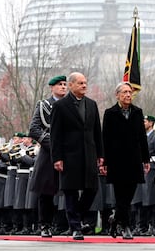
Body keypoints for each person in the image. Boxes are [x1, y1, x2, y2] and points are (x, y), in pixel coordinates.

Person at [50, 72, 104, 240]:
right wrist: (57, 157)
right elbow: (55, 135)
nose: (84, 86)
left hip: (89, 154)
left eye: (85, 83)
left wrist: (101, 154)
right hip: (69, 155)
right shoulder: (60, 106)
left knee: (92, 189)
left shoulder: (91, 104)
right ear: (71, 85)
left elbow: (97, 131)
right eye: (80, 83)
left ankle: (76, 216)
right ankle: (75, 227)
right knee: (71, 191)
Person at [102, 82, 150, 240]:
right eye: (124, 92)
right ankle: (126, 226)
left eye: (130, 92)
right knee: (120, 194)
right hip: (116, 160)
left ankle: (115, 219)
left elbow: (142, 137)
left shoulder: (137, 112)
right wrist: (104, 161)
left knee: (128, 195)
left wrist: (146, 159)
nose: (128, 95)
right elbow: (105, 139)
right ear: (117, 95)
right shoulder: (110, 113)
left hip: (134, 159)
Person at [28, 75, 67, 238]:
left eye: (65, 84)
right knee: (46, 191)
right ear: (52, 88)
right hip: (49, 152)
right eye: (60, 85)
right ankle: (45, 224)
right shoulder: (44, 105)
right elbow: (34, 129)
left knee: (71, 191)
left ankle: (71, 225)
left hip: (70, 152)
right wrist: (54, 144)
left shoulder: (72, 105)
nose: (63, 87)